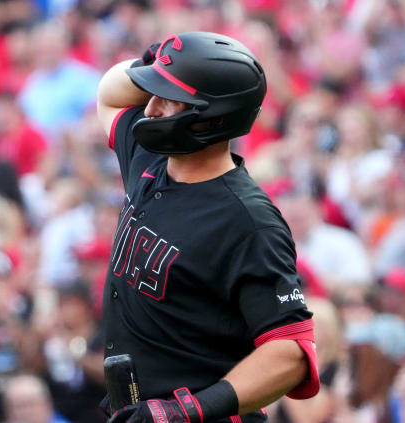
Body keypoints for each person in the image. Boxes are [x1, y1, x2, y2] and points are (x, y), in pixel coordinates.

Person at [95, 32, 319, 423]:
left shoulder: (249, 221)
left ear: (211, 118)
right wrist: (158, 66)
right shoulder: (150, 158)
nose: (149, 108)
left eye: (167, 97)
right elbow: (110, 92)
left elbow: (291, 352)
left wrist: (187, 411)